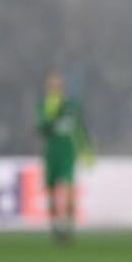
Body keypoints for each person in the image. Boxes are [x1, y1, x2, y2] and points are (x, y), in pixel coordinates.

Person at [36, 70, 93, 243]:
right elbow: (41, 129)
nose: (54, 88)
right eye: (51, 85)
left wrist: (86, 149)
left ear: (62, 87)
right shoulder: (44, 105)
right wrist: (50, 119)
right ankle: (55, 227)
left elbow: (80, 128)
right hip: (52, 151)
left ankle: (68, 227)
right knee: (52, 191)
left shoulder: (72, 105)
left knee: (68, 188)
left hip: (67, 150)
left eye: (57, 85)